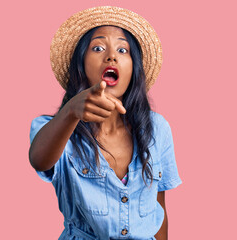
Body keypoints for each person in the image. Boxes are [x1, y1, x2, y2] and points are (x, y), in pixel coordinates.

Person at [29, 6, 182, 240]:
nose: (111, 56)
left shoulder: (157, 128)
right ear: (80, 64)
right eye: (98, 48)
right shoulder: (55, 127)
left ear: (134, 68)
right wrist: (71, 112)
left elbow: (158, 210)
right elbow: (39, 159)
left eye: (123, 50)